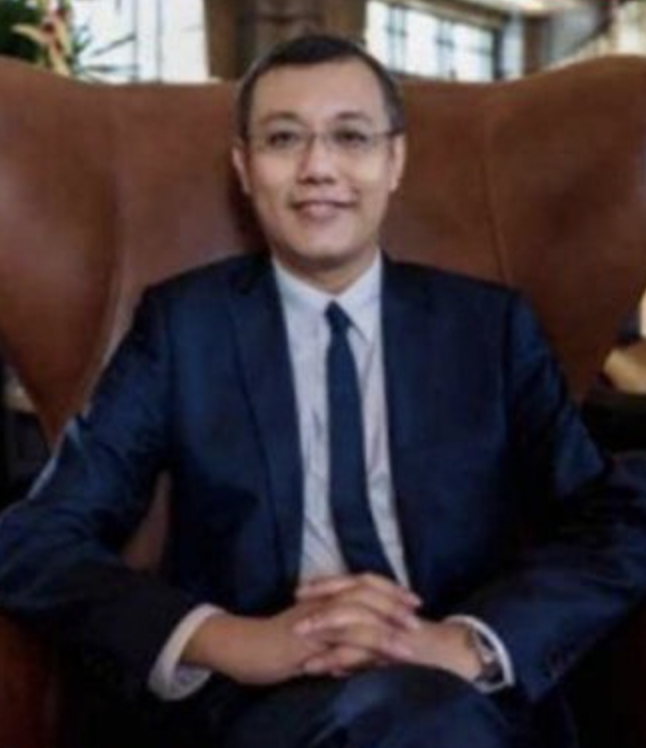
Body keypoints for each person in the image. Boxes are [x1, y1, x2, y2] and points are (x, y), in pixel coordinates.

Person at [1, 33, 646, 748]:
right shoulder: (183, 327)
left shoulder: (489, 328)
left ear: (394, 161)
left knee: (428, 716)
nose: (318, 168)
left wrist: (470, 642)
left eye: (351, 137)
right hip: (255, 709)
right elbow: (34, 539)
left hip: (460, 690)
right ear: (245, 167)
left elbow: (614, 521)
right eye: (284, 139)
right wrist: (229, 639)